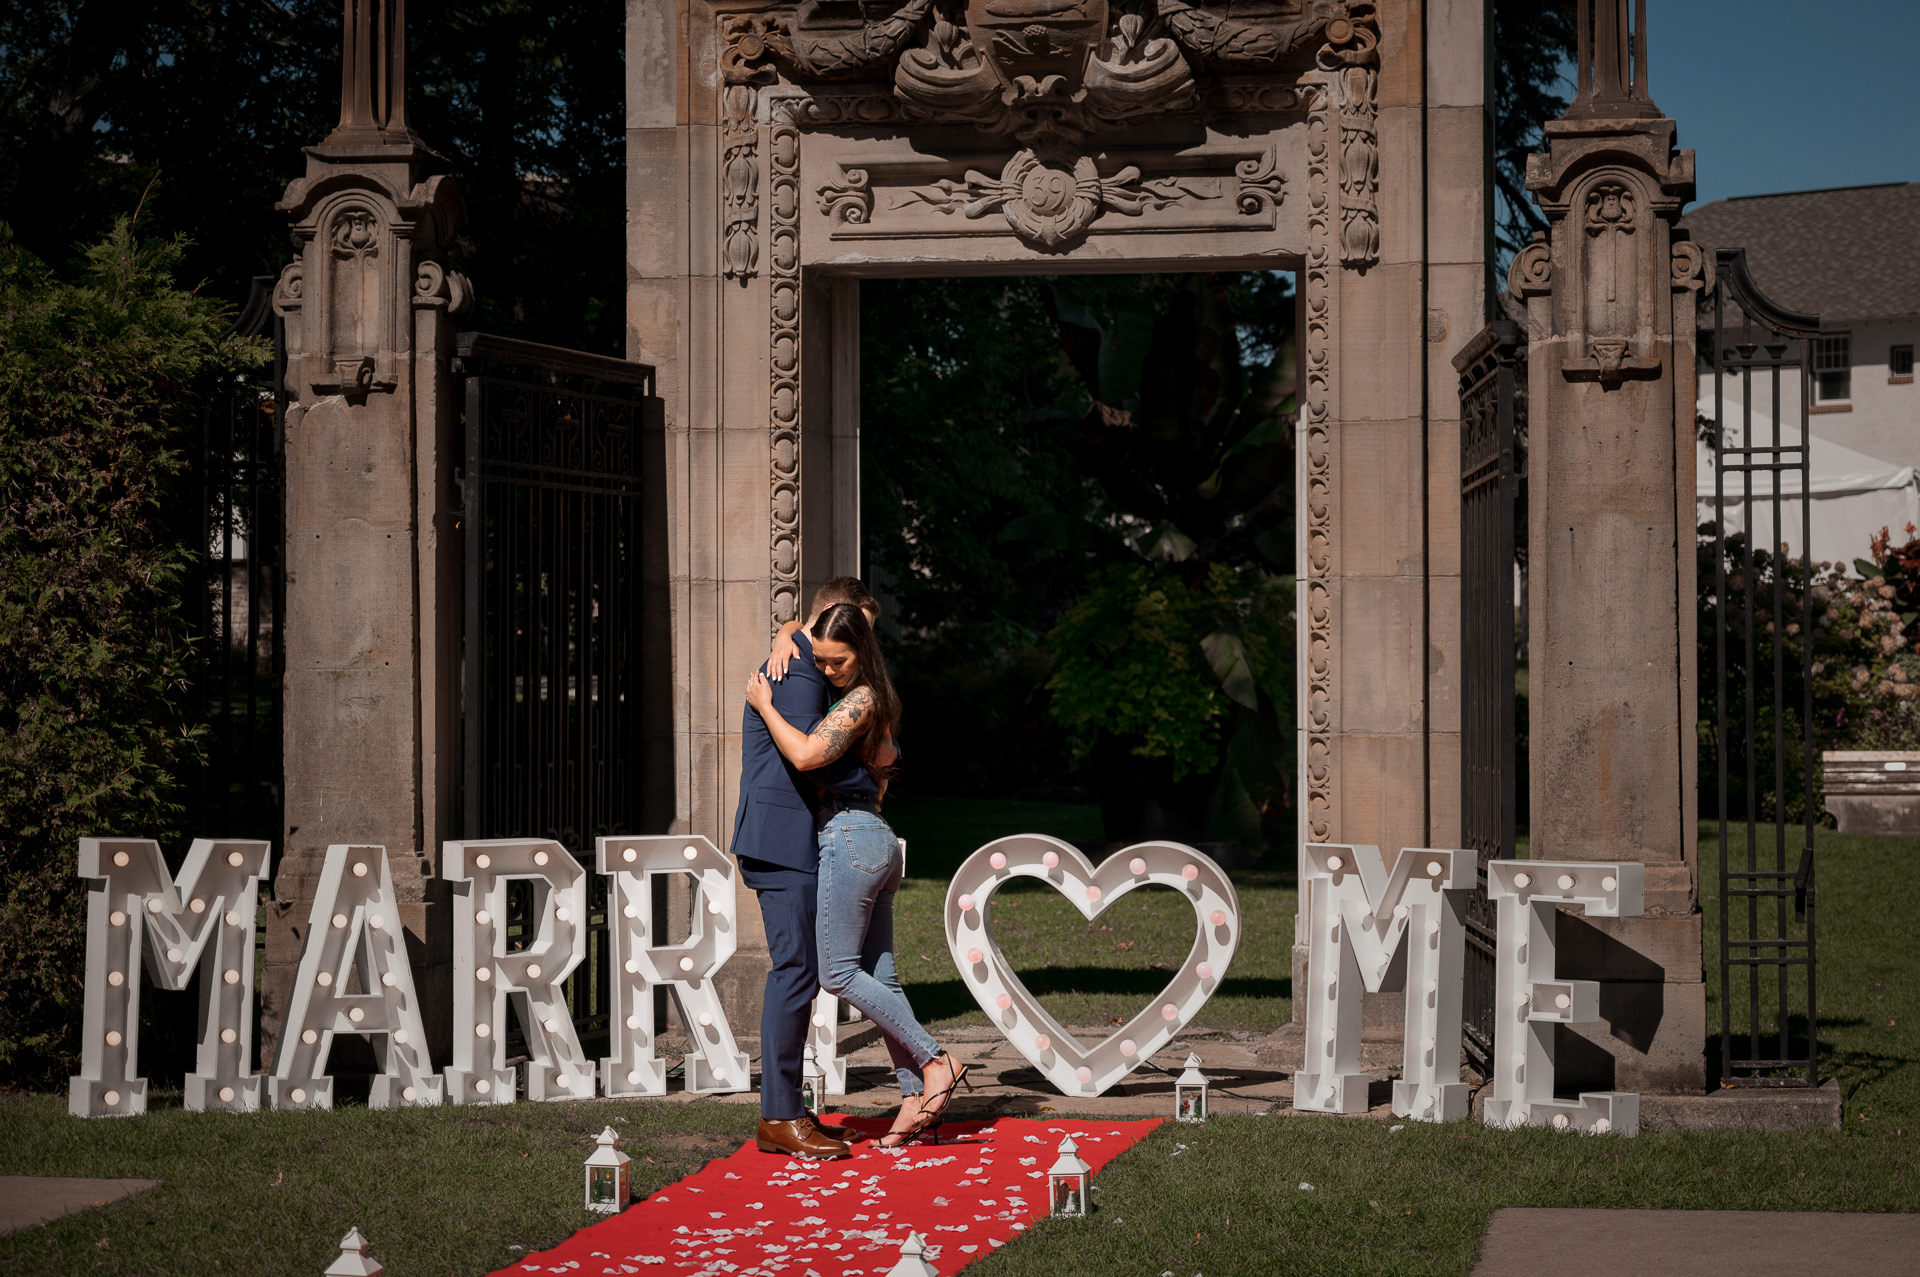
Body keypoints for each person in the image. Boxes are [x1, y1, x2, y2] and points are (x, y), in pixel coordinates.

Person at [746, 602, 969, 1147]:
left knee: (836, 974)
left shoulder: (859, 696)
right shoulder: (871, 693)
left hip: (850, 839)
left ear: (861, 648)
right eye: (819, 659)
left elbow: (804, 755)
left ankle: (937, 1061)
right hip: (875, 838)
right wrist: (786, 630)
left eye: (836, 660)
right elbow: (815, 619)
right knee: (881, 977)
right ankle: (916, 1102)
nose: (824, 670)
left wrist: (763, 703)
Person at [733, 577, 882, 1160]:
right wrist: (871, 779)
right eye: (854, 628)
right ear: (824, 616)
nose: (860, 645)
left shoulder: (800, 649)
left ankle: (788, 1107)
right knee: (795, 969)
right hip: (779, 838)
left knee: (803, 968)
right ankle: (778, 1116)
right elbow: (812, 760)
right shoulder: (797, 664)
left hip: (790, 838)